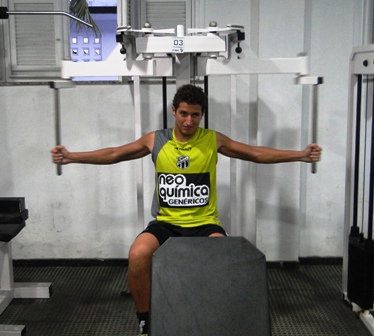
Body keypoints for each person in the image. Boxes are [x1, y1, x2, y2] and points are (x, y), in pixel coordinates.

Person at [51, 84, 322, 336]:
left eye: (195, 115)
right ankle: (145, 321)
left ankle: (217, 320)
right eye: (183, 114)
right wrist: (72, 156)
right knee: (137, 254)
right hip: (166, 224)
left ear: (202, 114)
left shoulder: (212, 140)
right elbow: (114, 154)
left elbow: (254, 153)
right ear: (173, 111)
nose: (188, 121)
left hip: (204, 224)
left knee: (225, 260)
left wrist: (299, 154)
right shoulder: (155, 140)